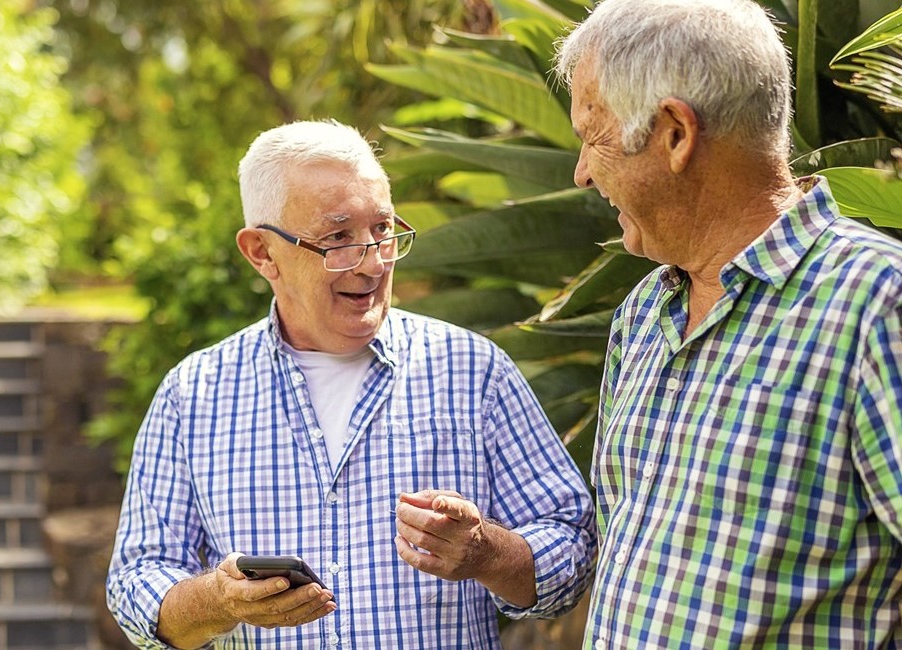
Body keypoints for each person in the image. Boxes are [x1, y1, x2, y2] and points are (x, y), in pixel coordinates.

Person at [106, 119, 596, 649]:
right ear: (261, 253)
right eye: (338, 238)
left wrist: (485, 553)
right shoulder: (193, 394)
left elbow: (573, 547)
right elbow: (137, 586)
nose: (373, 262)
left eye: (383, 230)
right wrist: (218, 601)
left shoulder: (473, 370)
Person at [554, 0, 902, 648]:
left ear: (676, 134)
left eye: (593, 135)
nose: (581, 171)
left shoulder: (876, 302)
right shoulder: (643, 315)